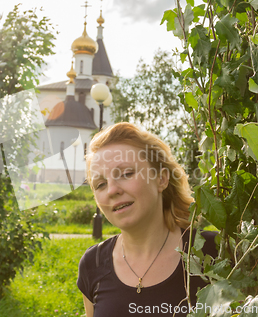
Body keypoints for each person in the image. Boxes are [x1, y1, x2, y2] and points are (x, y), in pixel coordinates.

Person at [77, 123, 218, 317]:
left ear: (161, 179)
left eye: (126, 174)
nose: (112, 190)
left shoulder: (216, 252)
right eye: (100, 184)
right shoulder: (92, 264)